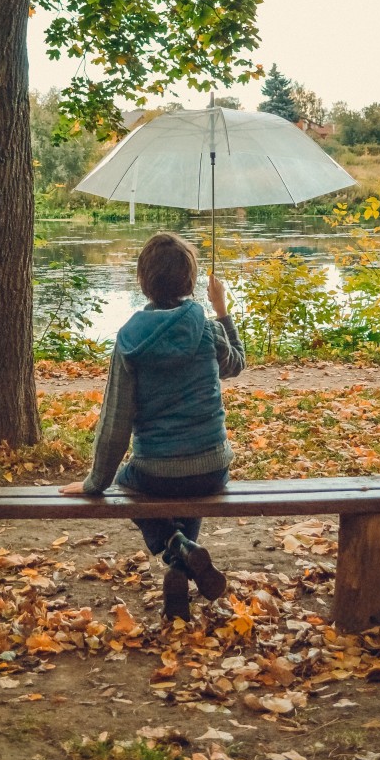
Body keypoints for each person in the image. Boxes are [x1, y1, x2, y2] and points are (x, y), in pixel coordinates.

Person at [60, 231, 245, 620]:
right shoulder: (207, 330)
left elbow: (115, 421)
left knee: (127, 480)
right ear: (189, 281)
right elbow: (236, 366)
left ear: (143, 281)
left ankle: (175, 548)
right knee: (188, 480)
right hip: (213, 470)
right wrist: (222, 309)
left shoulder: (130, 340)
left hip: (155, 472)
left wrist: (97, 482)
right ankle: (182, 561)